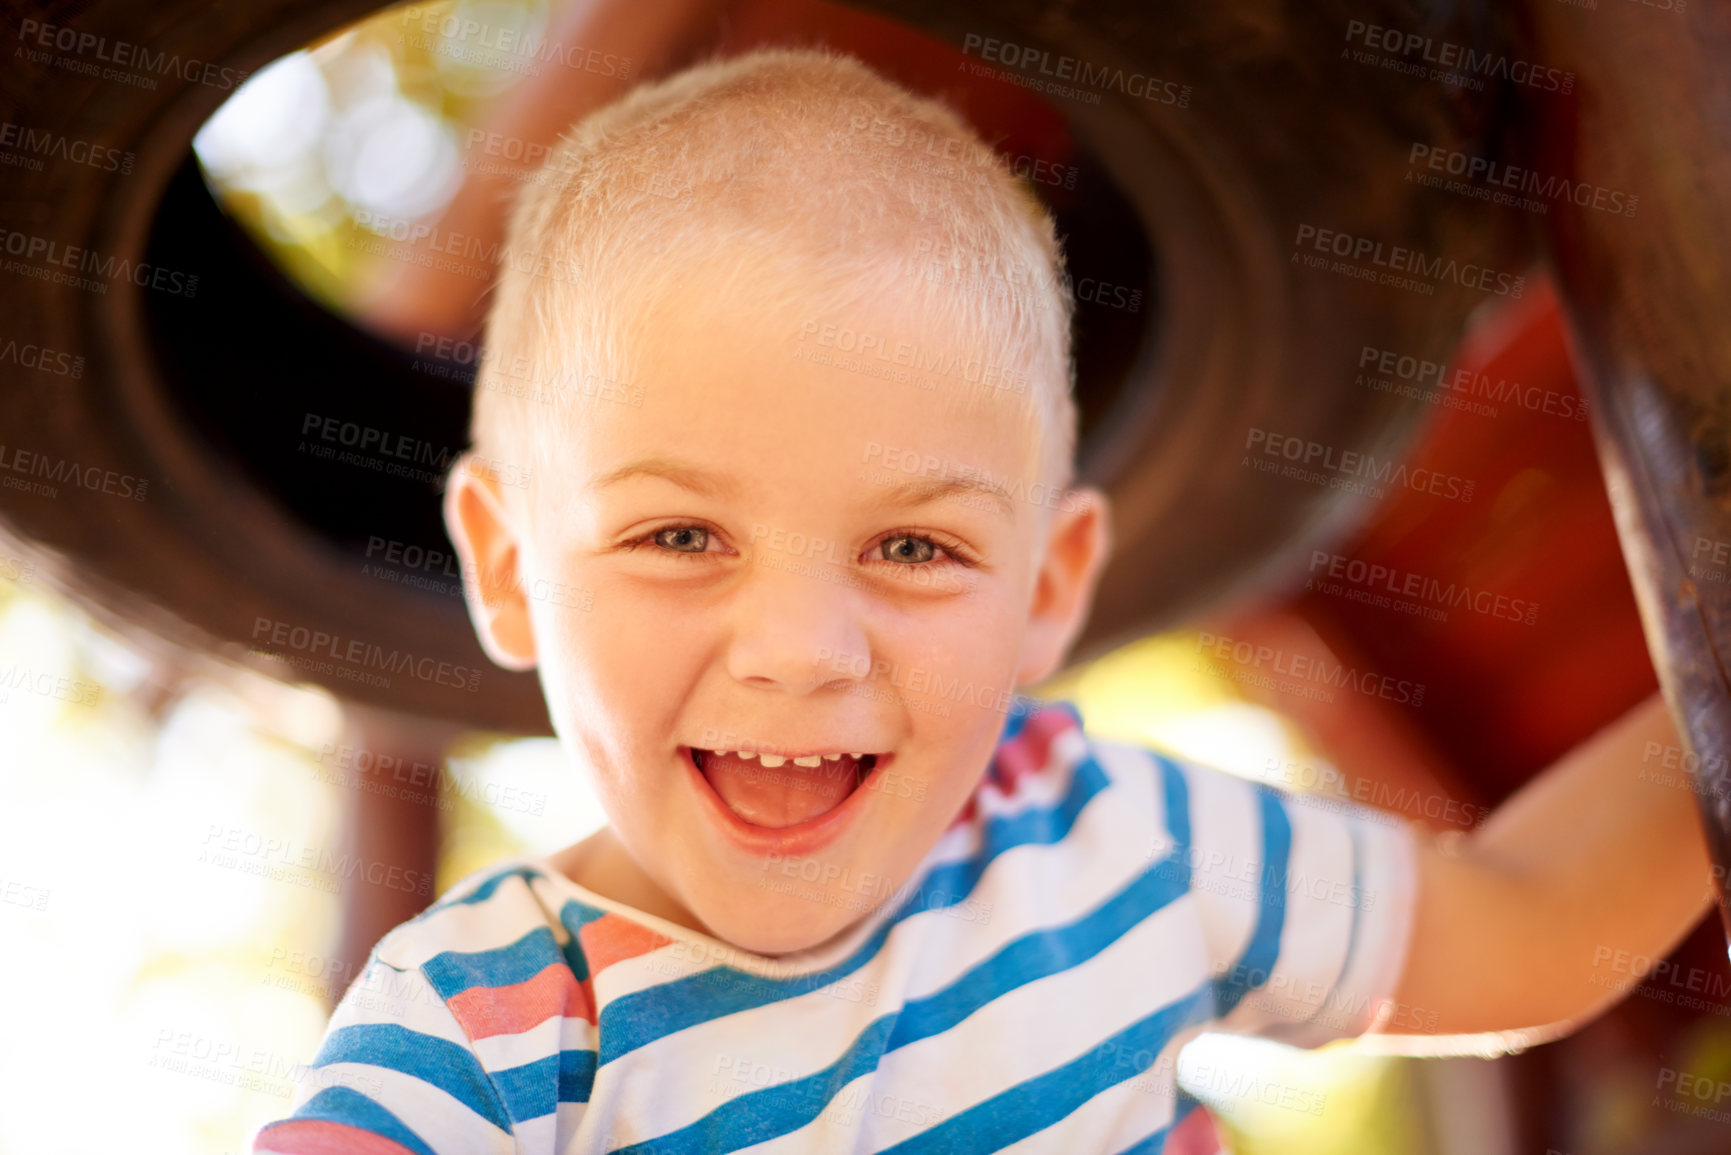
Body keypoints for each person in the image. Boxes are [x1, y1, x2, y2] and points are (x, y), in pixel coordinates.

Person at [252, 47, 1713, 1155]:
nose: (803, 653)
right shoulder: (486, 1030)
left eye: (914, 550)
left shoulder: (1109, 845)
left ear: (1046, 592)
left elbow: (1524, 921)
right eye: (683, 534)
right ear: (510, 569)